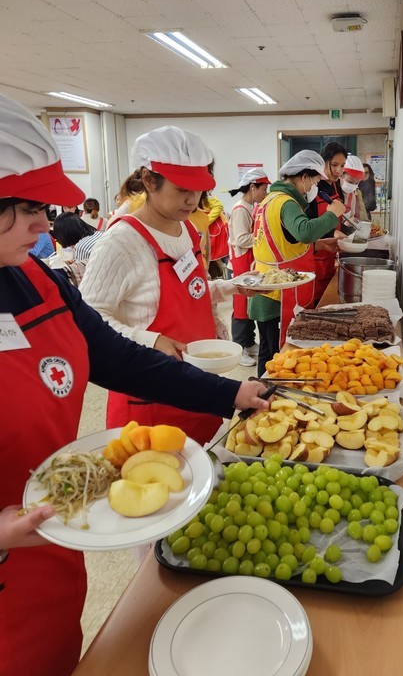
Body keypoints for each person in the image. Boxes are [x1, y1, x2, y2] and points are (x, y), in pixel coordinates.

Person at [0, 95, 271, 676]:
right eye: (23, 207)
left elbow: (117, 356)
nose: (45, 225)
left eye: (44, 206)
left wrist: (229, 394)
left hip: (53, 533)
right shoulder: (118, 243)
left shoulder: (36, 282)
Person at [80, 126, 259, 444]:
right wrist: (148, 338)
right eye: (182, 190)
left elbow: (193, 289)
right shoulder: (122, 242)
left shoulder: (187, 229)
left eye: (199, 190)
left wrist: (230, 287)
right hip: (149, 400)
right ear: (149, 181)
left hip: (197, 385)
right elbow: (86, 320)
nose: (192, 200)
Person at [249, 150, 346, 376]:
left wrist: (320, 245)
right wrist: (332, 215)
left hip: (265, 286)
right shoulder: (287, 202)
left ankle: (264, 392)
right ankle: (267, 397)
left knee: (268, 350)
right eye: (315, 181)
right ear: (303, 177)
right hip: (277, 294)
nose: (315, 186)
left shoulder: (269, 200)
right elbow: (303, 232)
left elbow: (282, 243)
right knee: (275, 357)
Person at [227, 168, 271, 366]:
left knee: (249, 303)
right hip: (238, 263)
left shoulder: (250, 207)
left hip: (247, 263)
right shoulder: (240, 210)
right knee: (240, 308)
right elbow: (241, 239)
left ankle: (249, 342)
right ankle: (239, 347)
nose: (265, 193)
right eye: (264, 189)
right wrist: (263, 238)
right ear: (253, 187)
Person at [306, 141, 348, 303]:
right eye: (334, 165)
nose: (338, 171)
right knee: (314, 301)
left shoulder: (337, 187)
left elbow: (337, 220)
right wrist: (331, 232)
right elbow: (308, 226)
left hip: (331, 254)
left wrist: (353, 233)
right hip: (314, 256)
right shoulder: (312, 188)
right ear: (323, 162)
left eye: (342, 166)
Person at [340, 154, 369, 232]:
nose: (353, 186)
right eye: (350, 181)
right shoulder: (332, 192)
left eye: (357, 183)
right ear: (341, 175)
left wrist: (352, 221)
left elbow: (352, 216)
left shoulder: (352, 194)